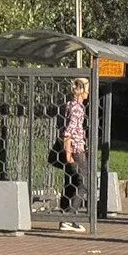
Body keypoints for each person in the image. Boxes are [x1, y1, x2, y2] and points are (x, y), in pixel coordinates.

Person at [55, 77, 90, 232]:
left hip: (72, 149)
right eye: (87, 88)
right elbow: (68, 131)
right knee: (84, 183)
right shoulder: (77, 108)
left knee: (71, 182)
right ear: (82, 90)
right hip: (76, 150)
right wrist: (69, 152)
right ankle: (70, 216)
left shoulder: (69, 105)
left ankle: (64, 218)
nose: (89, 92)